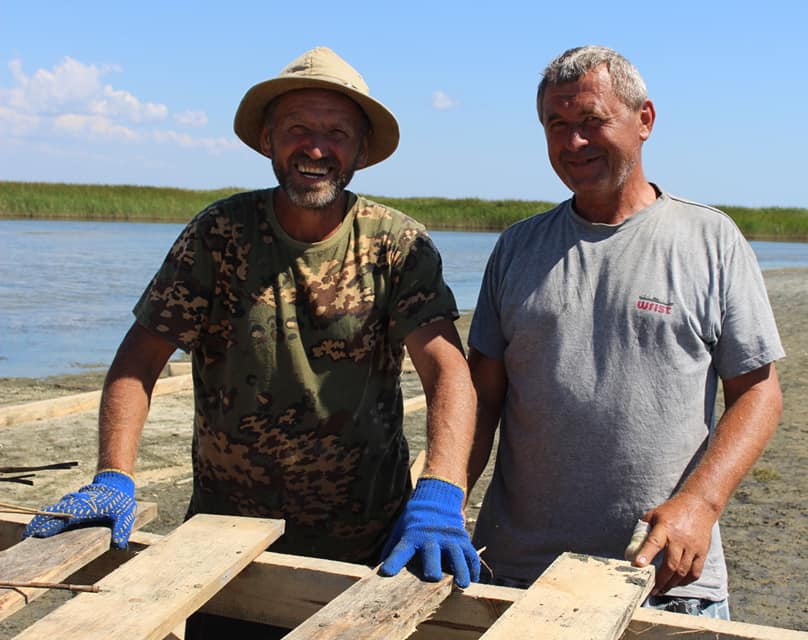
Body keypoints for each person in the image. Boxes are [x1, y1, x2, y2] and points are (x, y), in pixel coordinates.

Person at [24, 46, 479, 637]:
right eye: (298, 130)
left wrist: (442, 490)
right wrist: (116, 474)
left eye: (336, 134)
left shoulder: (396, 245)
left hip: (369, 544)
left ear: (361, 151)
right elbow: (139, 361)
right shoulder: (219, 235)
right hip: (224, 542)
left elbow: (448, 371)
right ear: (267, 139)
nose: (315, 149)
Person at [466, 45, 784, 620]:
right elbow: (481, 397)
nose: (573, 143)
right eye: (556, 125)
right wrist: (442, 498)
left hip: (664, 577)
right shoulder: (517, 247)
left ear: (645, 120)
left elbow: (759, 392)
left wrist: (701, 504)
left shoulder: (710, 241)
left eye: (592, 121)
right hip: (516, 575)